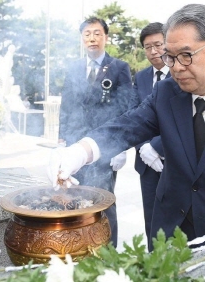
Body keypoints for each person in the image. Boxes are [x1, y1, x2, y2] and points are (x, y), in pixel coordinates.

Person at [49, 4, 205, 261]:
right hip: (172, 237)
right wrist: (80, 151)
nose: (176, 67)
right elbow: (127, 126)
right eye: (170, 57)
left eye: (186, 55)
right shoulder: (167, 92)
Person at [57, 17, 133, 247]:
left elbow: (126, 106)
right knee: (73, 198)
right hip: (74, 143)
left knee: (103, 200)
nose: (92, 38)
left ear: (106, 37)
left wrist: (121, 147)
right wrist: (61, 139)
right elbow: (67, 104)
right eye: (87, 33)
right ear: (82, 38)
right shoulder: (74, 68)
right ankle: (79, 249)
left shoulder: (119, 67)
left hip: (104, 145)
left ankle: (109, 251)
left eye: (97, 33)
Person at [132, 22, 170, 250]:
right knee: (151, 221)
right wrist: (144, 147)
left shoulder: (182, 73)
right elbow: (135, 115)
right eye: (148, 47)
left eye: (158, 45)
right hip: (146, 162)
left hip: (174, 159)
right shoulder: (142, 77)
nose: (154, 51)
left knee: (174, 223)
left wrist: (157, 146)